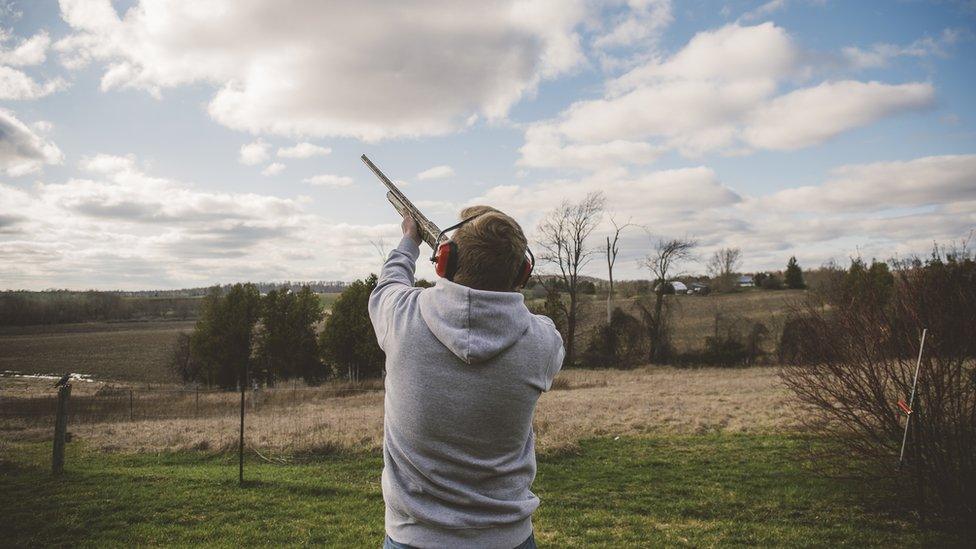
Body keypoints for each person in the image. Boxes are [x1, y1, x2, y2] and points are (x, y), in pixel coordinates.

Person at [369, 206, 565, 549]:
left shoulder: (401, 316)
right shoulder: (543, 342)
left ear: (443, 260)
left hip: (412, 537)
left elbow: (390, 280)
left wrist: (410, 240)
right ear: (522, 273)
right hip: (508, 539)